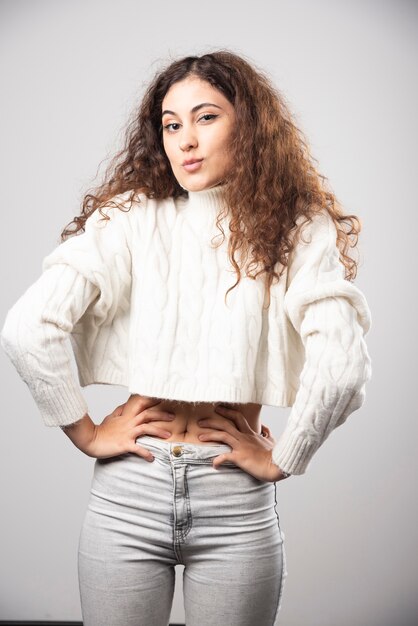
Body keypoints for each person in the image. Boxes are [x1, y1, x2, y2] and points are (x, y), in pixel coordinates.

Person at [0, 49, 372, 626]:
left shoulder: (296, 228)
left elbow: (343, 364)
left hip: (234, 503)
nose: (184, 141)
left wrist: (286, 458)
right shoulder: (129, 216)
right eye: (171, 124)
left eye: (206, 117)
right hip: (128, 495)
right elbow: (28, 329)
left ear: (248, 125)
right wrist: (86, 433)